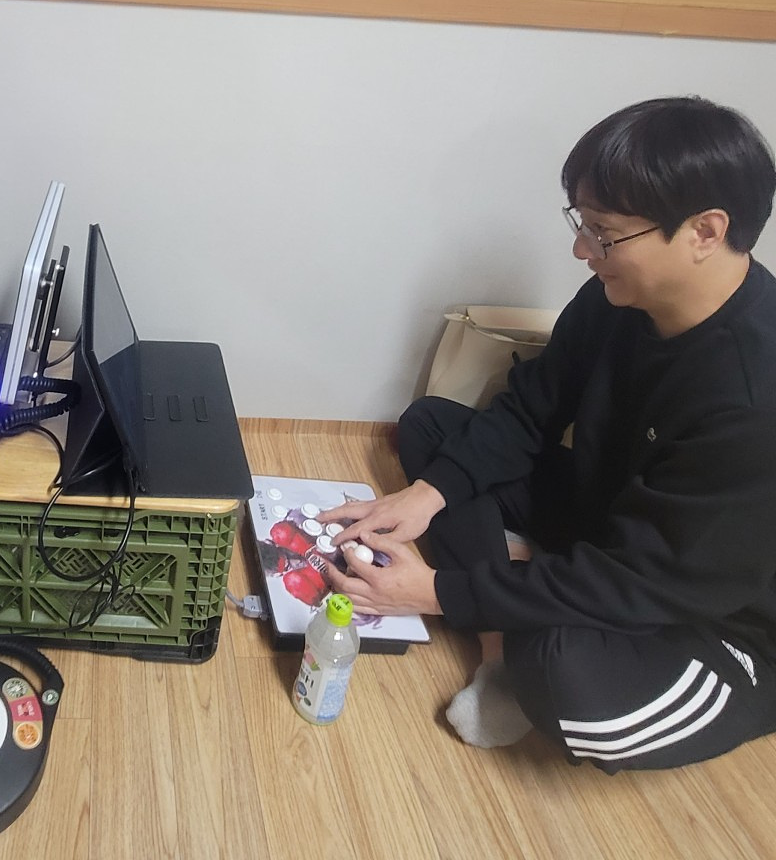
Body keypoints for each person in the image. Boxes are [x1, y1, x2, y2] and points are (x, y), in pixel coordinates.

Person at [320, 96, 776, 772]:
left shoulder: (753, 399)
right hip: (615, 527)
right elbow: (533, 407)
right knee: (432, 429)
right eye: (582, 223)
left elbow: (643, 579)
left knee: (564, 674)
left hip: (713, 619)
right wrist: (425, 496)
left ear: (705, 231)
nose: (582, 250)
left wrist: (438, 593)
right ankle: (501, 647)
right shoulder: (619, 298)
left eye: (604, 233)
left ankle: (519, 639)